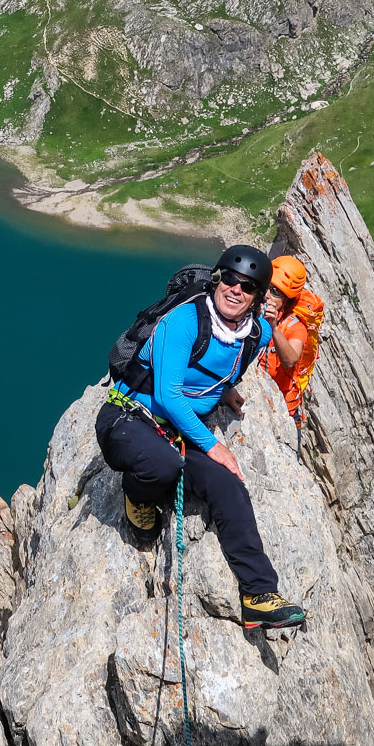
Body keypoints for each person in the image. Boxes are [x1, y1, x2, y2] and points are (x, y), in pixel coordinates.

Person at [95, 245, 307, 629]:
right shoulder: (185, 321)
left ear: (258, 297)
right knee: (163, 463)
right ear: (217, 279)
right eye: (229, 278)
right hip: (127, 418)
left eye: (247, 287)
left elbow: (227, 368)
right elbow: (169, 395)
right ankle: (135, 495)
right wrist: (213, 445)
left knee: (229, 486)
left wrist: (223, 389)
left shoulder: (255, 335)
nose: (235, 290)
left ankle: (258, 594)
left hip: (176, 431)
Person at [259, 255, 321, 422]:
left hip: (283, 411)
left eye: (276, 292)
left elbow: (291, 359)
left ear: (287, 300)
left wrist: (273, 328)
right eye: (267, 287)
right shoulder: (255, 310)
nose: (267, 295)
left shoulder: (295, 327)